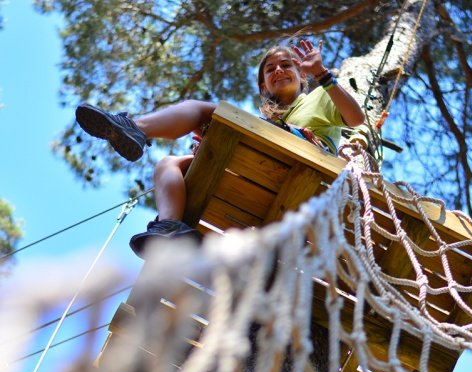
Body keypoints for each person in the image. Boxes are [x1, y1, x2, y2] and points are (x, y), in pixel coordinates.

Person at [75, 38, 365, 256]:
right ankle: (170, 227)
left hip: (307, 163)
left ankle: (136, 128)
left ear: (302, 76)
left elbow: (356, 118)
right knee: (168, 164)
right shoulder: (268, 121)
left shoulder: (319, 97)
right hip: (265, 166)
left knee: (202, 112)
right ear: (264, 87)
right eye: (270, 69)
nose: (278, 70)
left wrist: (324, 75)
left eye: (286, 65)